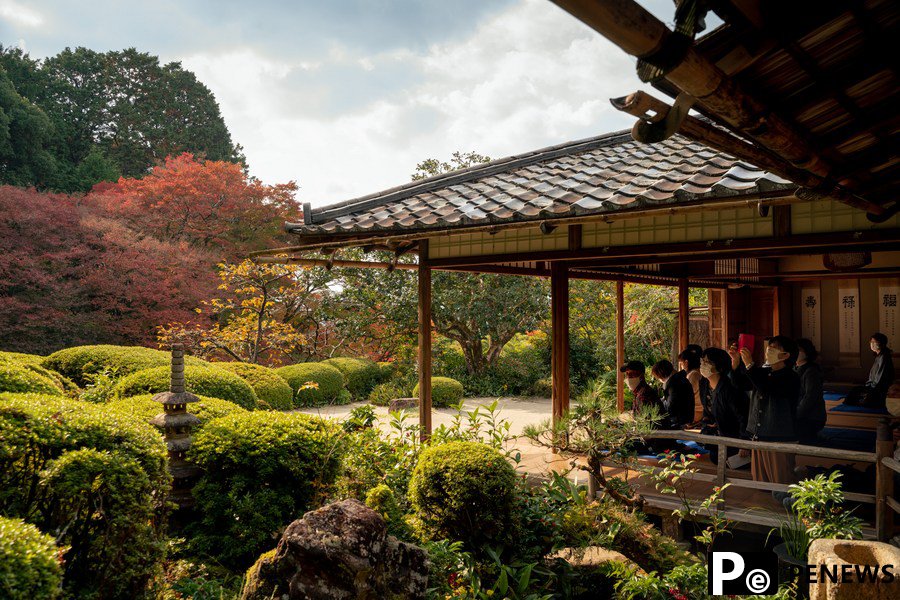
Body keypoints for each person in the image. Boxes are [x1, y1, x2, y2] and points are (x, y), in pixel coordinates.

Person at [730, 335, 801, 483]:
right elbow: (741, 384)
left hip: (779, 435)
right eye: (770, 346)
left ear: (786, 355)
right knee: (761, 481)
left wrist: (750, 365)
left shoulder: (791, 377)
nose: (769, 349)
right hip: (759, 433)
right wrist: (736, 363)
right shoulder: (764, 372)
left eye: (775, 347)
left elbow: (767, 388)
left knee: (782, 481)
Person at [700, 347, 748, 465]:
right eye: (703, 361)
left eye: (708, 362)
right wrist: (707, 422)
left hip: (733, 438)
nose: (703, 365)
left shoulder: (730, 389)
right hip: (716, 437)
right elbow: (707, 410)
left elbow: (743, 417)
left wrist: (744, 444)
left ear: (719, 367)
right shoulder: (704, 383)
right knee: (715, 459)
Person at [845, 333, 895, 409]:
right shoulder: (880, 355)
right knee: (854, 392)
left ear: (881, 343)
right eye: (871, 342)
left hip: (880, 388)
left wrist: (871, 388)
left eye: (874, 342)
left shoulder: (884, 357)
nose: (872, 344)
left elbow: (880, 378)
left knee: (865, 399)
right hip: (874, 386)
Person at [794, 338, 826, 444]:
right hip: (798, 414)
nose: (795, 352)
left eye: (799, 350)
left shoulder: (811, 371)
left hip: (811, 417)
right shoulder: (794, 368)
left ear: (806, 352)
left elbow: (810, 397)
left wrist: (796, 414)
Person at [651, 359, 695, 430]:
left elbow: (670, 408)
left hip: (679, 422)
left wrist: (658, 403)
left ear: (661, 374)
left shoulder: (674, 384)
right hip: (685, 419)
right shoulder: (680, 379)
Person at [678, 346, 703, 420]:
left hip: (696, 412)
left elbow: (685, 396)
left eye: (681, 363)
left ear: (686, 362)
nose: (681, 366)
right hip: (698, 411)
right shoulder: (698, 372)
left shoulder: (693, 375)